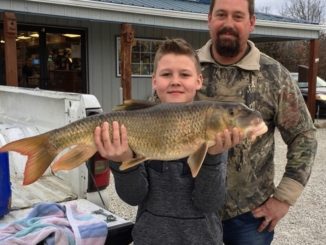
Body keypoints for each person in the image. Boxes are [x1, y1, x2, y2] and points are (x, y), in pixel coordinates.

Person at [94, 38, 264, 244]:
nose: (175, 81)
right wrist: (122, 162)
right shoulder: (138, 121)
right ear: (154, 81)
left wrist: (213, 157)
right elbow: (134, 197)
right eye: (166, 74)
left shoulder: (215, 136)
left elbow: (208, 202)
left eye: (184, 74)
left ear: (198, 81)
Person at [196, 0, 318, 244]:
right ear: (209, 19)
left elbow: (303, 135)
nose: (228, 23)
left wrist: (283, 198)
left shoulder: (274, 75)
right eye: (221, 14)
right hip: (190, 210)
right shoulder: (185, 69)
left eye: (238, 16)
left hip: (248, 217)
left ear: (251, 22)